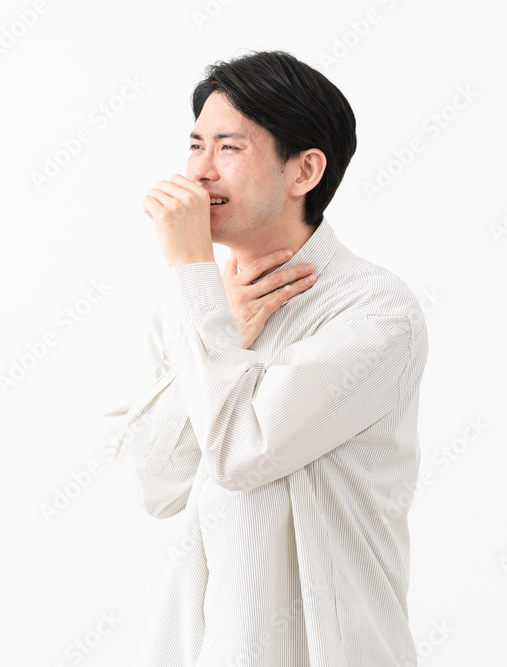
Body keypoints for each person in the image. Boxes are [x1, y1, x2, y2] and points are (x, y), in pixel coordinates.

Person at [102, 49, 429, 667]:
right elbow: (152, 483)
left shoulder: (376, 313)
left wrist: (195, 284)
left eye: (229, 148)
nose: (200, 172)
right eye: (195, 145)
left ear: (304, 170)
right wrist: (213, 313)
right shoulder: (193, 304)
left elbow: (240, 454)